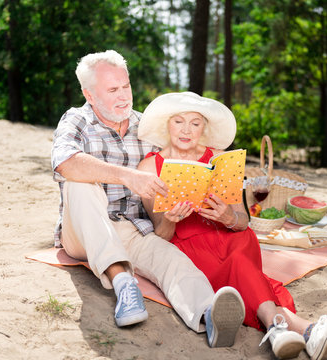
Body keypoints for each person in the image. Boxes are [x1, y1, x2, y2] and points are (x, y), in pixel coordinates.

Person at [137, 91, 327, 360]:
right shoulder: (149, 167)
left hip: (230, 237)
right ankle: (303, 331)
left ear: (204, 128)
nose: (186, 130)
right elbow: (160, 234)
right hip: (188, 247)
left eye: (195, 123)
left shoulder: (220, 159)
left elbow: (242, 222)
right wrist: (170, 219)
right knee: (247, 272)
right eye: (179, 121)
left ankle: (282, 331)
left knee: (240, 245)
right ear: (166, 124)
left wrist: (228, 218)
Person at [51, 50, 245, 348]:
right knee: (79, 181)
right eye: (112, 90)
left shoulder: (145, 129)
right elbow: (64, 163)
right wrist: (129, 176)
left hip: (134, 229)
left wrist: (215, 172)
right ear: (89, 95)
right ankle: (123, 283)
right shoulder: (77, 120)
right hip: (82, 230)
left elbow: (184, 151)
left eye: (126, 86)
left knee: (173, 261)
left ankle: (209, 315)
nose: (123, 96)